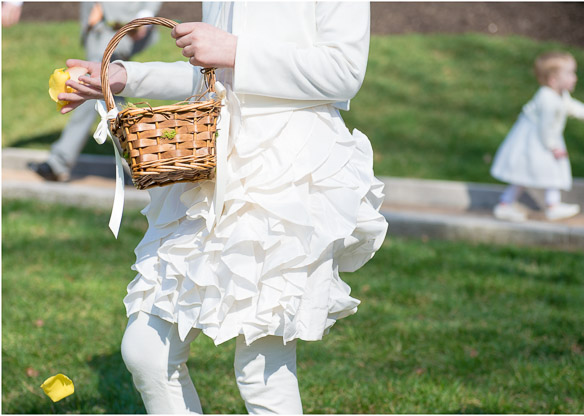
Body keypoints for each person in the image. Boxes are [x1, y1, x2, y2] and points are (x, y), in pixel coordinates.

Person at [54, 2, 387, 413]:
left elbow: (344, 71)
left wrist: (235, 50)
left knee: (261, 371)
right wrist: (127, 75)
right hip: (211, 169)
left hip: (283, 176)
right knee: (146, 350)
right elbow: (212, 72)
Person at [30, 2, 161, 182]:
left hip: (121, 25)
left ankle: (59, 161)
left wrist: (145, 16)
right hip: (95, 25)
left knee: (93, 88)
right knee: (109, 97)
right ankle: (143, 163)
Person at [489, 51, 584, 222]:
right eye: (570, 74)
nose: (575, 78)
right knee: (531, 173)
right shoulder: (546, 98)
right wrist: (553, 147)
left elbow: (572, 107)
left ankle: (543, 205)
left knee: (544, 172)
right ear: (553, 80)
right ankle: (510, 205)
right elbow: (545, 127)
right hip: (535, 143)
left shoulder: (559, 94)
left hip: (542, 141)